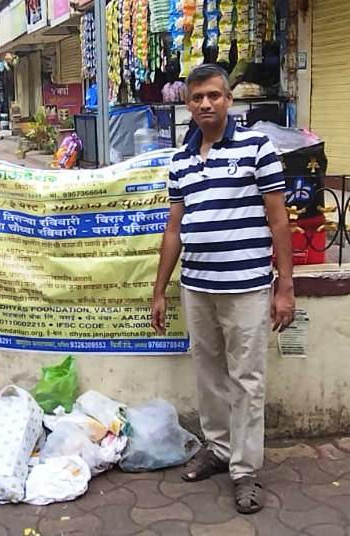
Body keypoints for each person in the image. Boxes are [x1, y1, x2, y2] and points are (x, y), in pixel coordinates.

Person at [151, 64, 295, 515]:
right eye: (197, 98)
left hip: (247, 287)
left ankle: (245, 469)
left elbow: (278, 220)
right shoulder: (180, 160)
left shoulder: (258, 147)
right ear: (187, 103)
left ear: (229, 99)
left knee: (247, 380)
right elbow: (174, 229)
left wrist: (285, 286)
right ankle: (216, 449)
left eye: (214, 95)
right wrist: (159, 291)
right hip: (197, 287)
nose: (206, 104)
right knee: (208, 373)